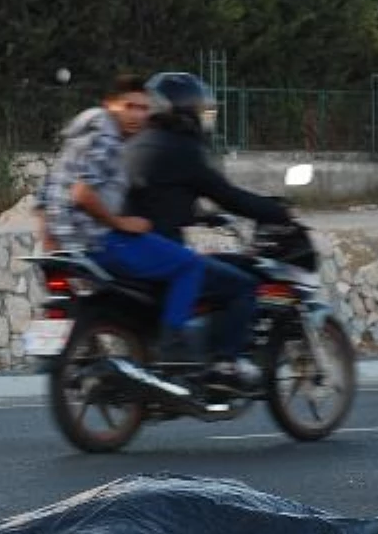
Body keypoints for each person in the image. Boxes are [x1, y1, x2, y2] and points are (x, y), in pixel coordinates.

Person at [123, 71, 294, 390]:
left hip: (137, 250)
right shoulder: (183, 150)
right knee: (243, 284)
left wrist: (201, 214)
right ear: (187, 111)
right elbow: (228, 195)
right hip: (163, 253)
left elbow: (160, 193)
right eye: (204, 111)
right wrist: (277, 211)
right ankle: (227, 361)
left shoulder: (136, 144)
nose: (206, 118)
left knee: (226, 264)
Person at [33, 74, 206, 362]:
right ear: (110, 105)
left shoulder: (79, 136)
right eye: (130, 106)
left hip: (66, 247)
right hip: (99, 242)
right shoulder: (108, 138)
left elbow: (44, 194)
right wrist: (121, 223)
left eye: (143, 108)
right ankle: (172, 347)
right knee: (190, 264)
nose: (137, 116)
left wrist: (50, 239)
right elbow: (82, 193)